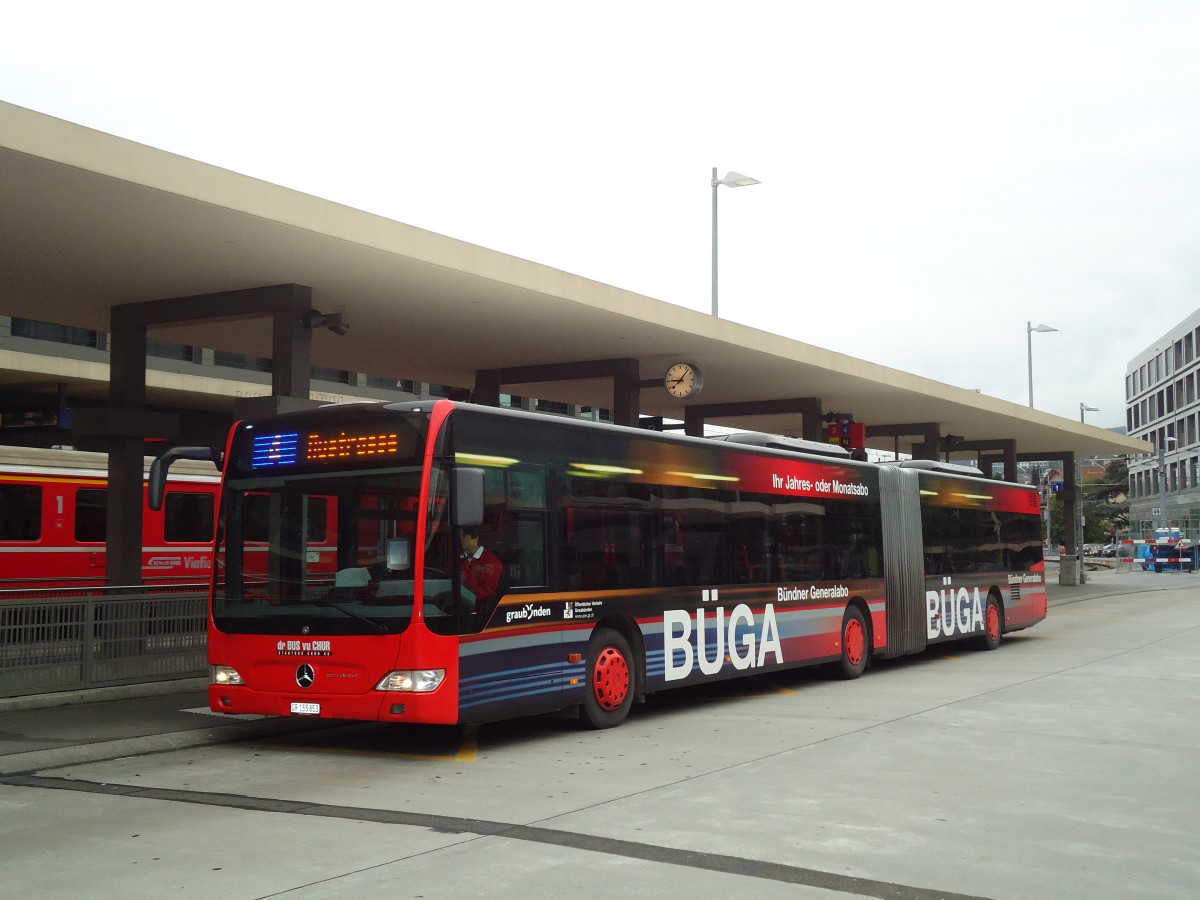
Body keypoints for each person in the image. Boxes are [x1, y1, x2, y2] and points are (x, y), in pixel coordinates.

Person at [459, 526, 503, 606]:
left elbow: (488, 590)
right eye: (460, 536)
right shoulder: (459, 559)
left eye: (464, 536)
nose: (461, 538)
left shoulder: (491, 561)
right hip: (459, 604)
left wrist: (468, 595)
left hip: (479, 607)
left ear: (475, 539)